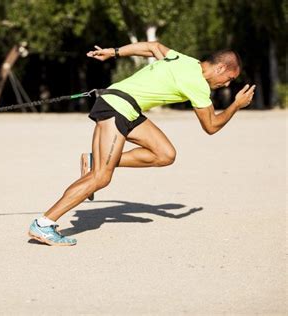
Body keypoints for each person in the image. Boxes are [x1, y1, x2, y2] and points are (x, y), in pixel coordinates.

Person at [28, 41, 256, 246]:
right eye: (229, 79)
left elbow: (152, 47)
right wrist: (236, 105)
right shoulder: (197, 84)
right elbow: (211, 126)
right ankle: (44, 223)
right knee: (101, 177)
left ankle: (93, 160)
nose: (226, 85)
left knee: (165, 154)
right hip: (118, 106)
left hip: (127, 107)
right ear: (220, 68)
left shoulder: (184, 60)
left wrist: (114, 52)